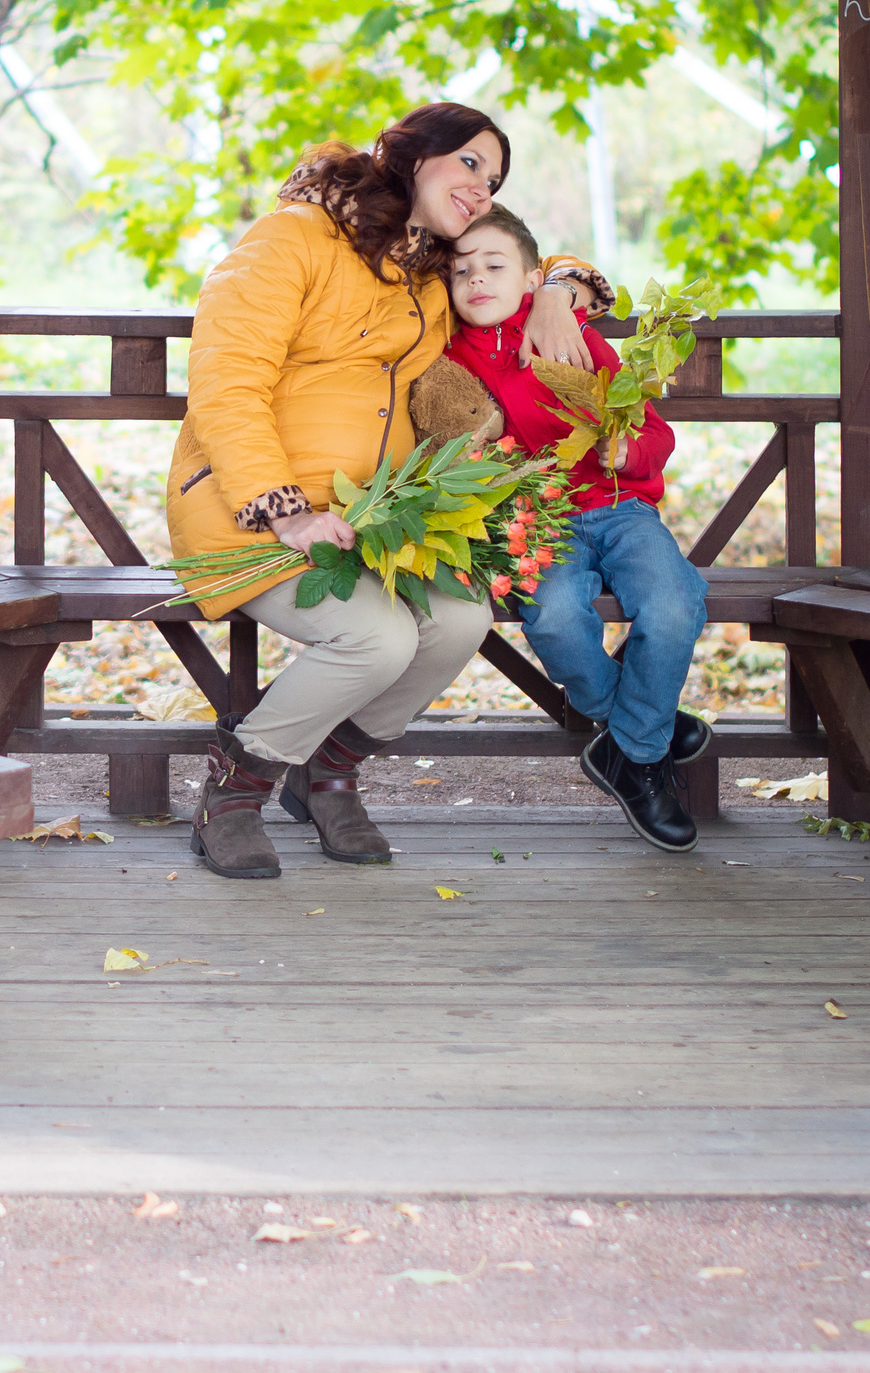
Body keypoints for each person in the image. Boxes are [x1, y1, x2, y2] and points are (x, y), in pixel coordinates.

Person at [168, 103, 610, 880]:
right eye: (470, 163)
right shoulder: (292, 237)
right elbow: (225, 380)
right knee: (378, 636)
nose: (482, 187)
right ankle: (235, 792)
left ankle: (328, 771)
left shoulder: (430, 265)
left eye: (496, 177)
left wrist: (555, 290)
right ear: (411, 154)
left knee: (459, 616)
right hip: (250, 513)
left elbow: (533, 253)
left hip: (370, 516)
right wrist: (285, 508)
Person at [437, 207, 711, 853]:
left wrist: (628, 452)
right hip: (541, 518)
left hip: (620, 506)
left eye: (494, 266)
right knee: (555, 613)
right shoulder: (449, 358)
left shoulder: (573, 335)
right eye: (461, 270)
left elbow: (653, 430)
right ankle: (642, 733)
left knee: (674, 603)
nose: (477, 279)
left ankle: (633, 753)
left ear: (533, 279)